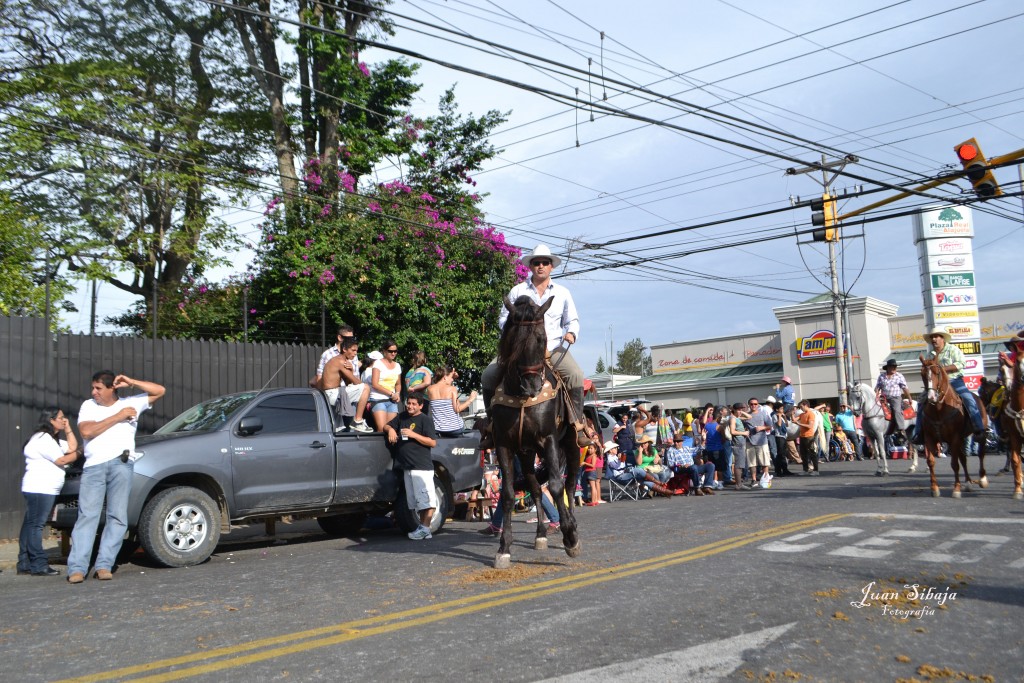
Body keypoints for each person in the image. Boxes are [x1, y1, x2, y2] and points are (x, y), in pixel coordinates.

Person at [480, 244, 590, 448]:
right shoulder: (518, 290)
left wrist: (571, 333)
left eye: (545, 263)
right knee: (487, 375)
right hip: (519, 352)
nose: (541, 266)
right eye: (536, 262)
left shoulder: (562, 292)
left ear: (551, 267)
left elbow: (572, 320)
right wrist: (516, 328)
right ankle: (491, 426)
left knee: (575, 374)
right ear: (530, 266)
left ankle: (577, 425)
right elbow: (502, 319)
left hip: (553, 349)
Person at [67, 371, 165, 583]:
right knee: (88, 516)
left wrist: (131, 382)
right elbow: (86, 432)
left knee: (117, 517)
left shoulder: (132, 402)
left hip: (122, 465)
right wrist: (118, 417)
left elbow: (160, 391)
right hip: (94, 467)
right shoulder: (89, 406)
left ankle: (104, 564)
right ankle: (77, 567)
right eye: (93, 388)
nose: (94, 392)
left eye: (99, 388)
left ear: (112, 388)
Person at [18, 409, 79, 577]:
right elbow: (62, 459)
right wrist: (80, 453)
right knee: (36, 526)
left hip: (39, 487)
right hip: (41, 487)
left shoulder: (52, 440)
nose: (64, 420)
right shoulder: (43, 439)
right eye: (60, 418)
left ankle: (24, 563)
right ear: (51, 420)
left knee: (30, 525)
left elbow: (72, 446)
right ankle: (38, 564)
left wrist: (68, 429)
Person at [383, 394, 438, 540]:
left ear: (420, 406)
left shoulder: (425, 420)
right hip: (407, 466)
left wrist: (413, 435)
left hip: (420, 466)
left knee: (427, 499)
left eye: (414, 404)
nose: (410, 406)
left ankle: (425, 528)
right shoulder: (402, 416)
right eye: (409, 403)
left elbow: (432, 442)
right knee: (416, 501)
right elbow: (386, 425)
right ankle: (423, 528)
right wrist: (391, 430)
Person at [914, 328, 985, 441]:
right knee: (921, 402)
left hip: (954, 380)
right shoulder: (930, 354)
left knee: (969, 399)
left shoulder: (953, 350)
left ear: (942, 339)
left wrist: (942, 369)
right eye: (932, 337)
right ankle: (918, 433)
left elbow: (961, 363)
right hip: (936, 384)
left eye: (936, 336)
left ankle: (979, 428)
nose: (933, 339)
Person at [319, 337, 373, 432]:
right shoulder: (340, 361)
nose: (355, 353)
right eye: (353, 350)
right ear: (344, 349)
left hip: (332, 394)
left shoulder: (340, 360)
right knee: (366, 387)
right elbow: (357, 383)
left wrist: (351, 370)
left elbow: (349, 383)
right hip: (332, 394)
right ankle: (358, 421)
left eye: (356, 350)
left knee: (336, 429)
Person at [426, 365, 478, 437]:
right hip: (454, 429)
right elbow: (457, 409)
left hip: (438, 429)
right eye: (451, 377)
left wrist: (451, 376)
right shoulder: (452, 389)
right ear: (444, 377)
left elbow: (439, 385)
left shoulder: (429, 389)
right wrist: (470, 399)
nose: (452, 379)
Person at [369, 340, 403, 433]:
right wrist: (391, 394)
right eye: (390, 351)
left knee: (391, 429)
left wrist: (397, 393)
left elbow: (398, 384)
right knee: (382, 429)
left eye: (395, 351)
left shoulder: (397, 366)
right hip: (378, 399)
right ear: (384, 351)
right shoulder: (378, 363)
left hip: (392, 401)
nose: (393, 353)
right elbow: (375, 384)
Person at [874, 359, 913, 440]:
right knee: (876, 409)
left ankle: (901, 429)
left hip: (895, 397)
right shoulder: (881, 376)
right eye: (893, 367)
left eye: (895, 367)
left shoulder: (899, 376)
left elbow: (905, 388)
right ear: (888, 367)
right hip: (884, 398)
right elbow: (877, 387)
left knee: (896, 410)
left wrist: (909, 397)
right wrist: (876, 396)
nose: (895, 368)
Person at [744, 398, 771, 488]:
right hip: (750, 441)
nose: (753, 406)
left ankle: (766, 478)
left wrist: (762, 428)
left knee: (764, 461)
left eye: (755, 404)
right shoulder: (746, 416)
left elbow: (770, 425)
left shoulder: (763, 413)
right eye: (751, 404)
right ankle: (754, 479)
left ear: (758, 404)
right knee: (752, 463)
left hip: (762, 441)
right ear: (749, 405)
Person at [794, 400, 820, 475]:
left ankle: (816, 470)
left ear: (805, 405)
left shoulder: (811, 414)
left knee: (812, 453)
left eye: (801, 406)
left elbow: (810, 426)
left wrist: (799, 423)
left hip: (809, 436)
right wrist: (792, 413)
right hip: (802, 436)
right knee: (803, 454)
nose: (800, 408)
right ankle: (805, 470)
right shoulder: (802, 414)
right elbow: (794, 420)